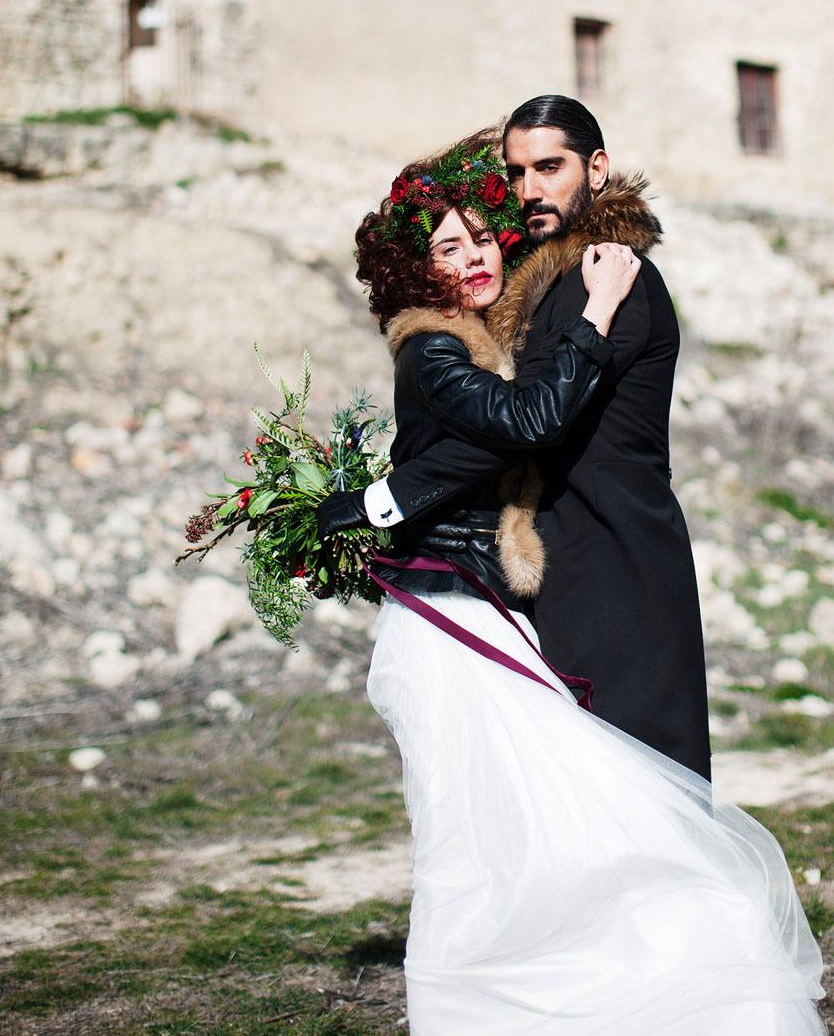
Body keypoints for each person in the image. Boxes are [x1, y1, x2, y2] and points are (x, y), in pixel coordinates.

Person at [316, 133, 824, 1034]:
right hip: (446, 625)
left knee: (546, 817)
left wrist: (383, 498)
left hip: (481, 612)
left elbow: (484, 443)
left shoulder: (482, 334)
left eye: (480, 238)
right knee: (488, 836)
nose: (473, 257)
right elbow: (526, 422)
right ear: (415, 270)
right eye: (447, 247)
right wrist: (592, 313)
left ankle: (598, 987)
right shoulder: (432, 348)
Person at [328, 95, 712, 781]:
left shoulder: (611, 276)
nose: (530, 189)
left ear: (596, 168)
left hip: (617, 563)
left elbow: (524, 430)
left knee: (647, 793)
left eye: (550, 167)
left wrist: (384, 499)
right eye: (517, 172)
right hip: (563, 571)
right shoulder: (544, 288)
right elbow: (507, 420)